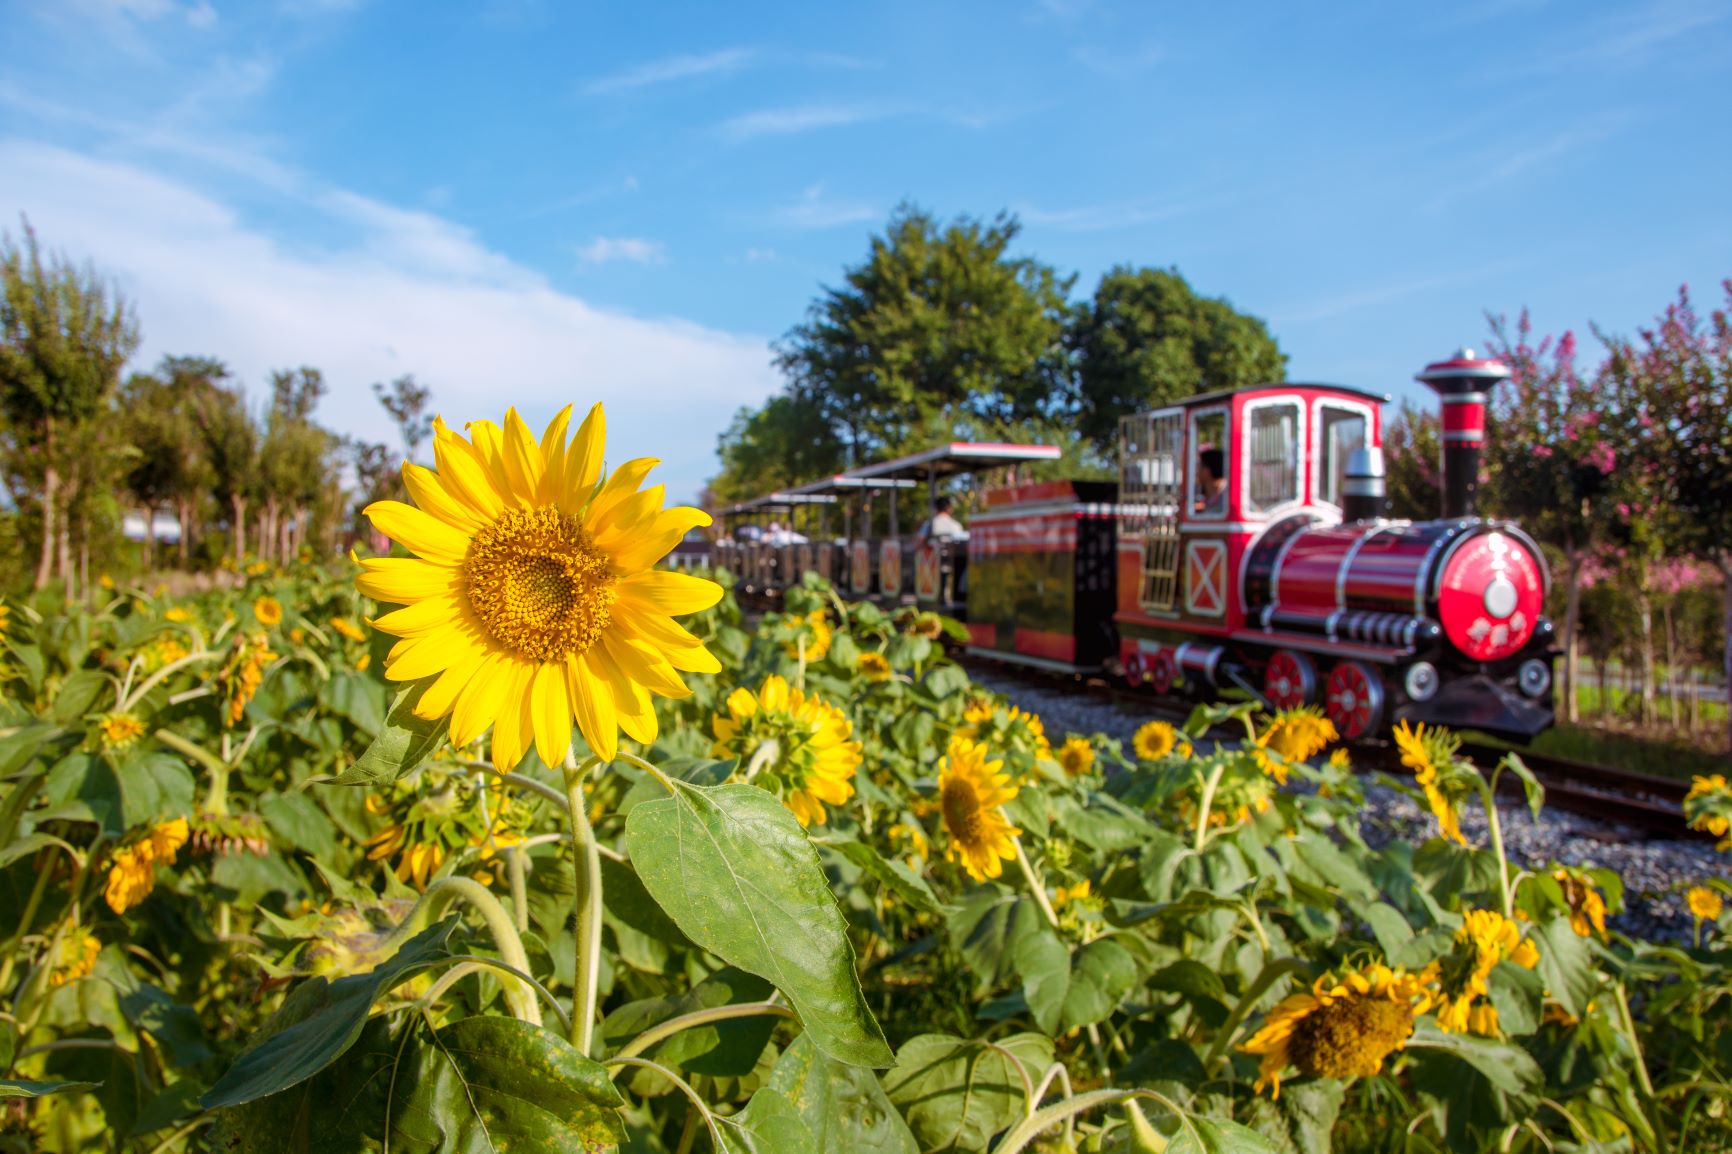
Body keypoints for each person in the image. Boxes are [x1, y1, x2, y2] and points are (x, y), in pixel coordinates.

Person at [1195, 448, 1226, 516]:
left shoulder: (1225, 501)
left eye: (1199, 467)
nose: (1196, 472)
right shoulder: (1216, 496)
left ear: (1207, 471)